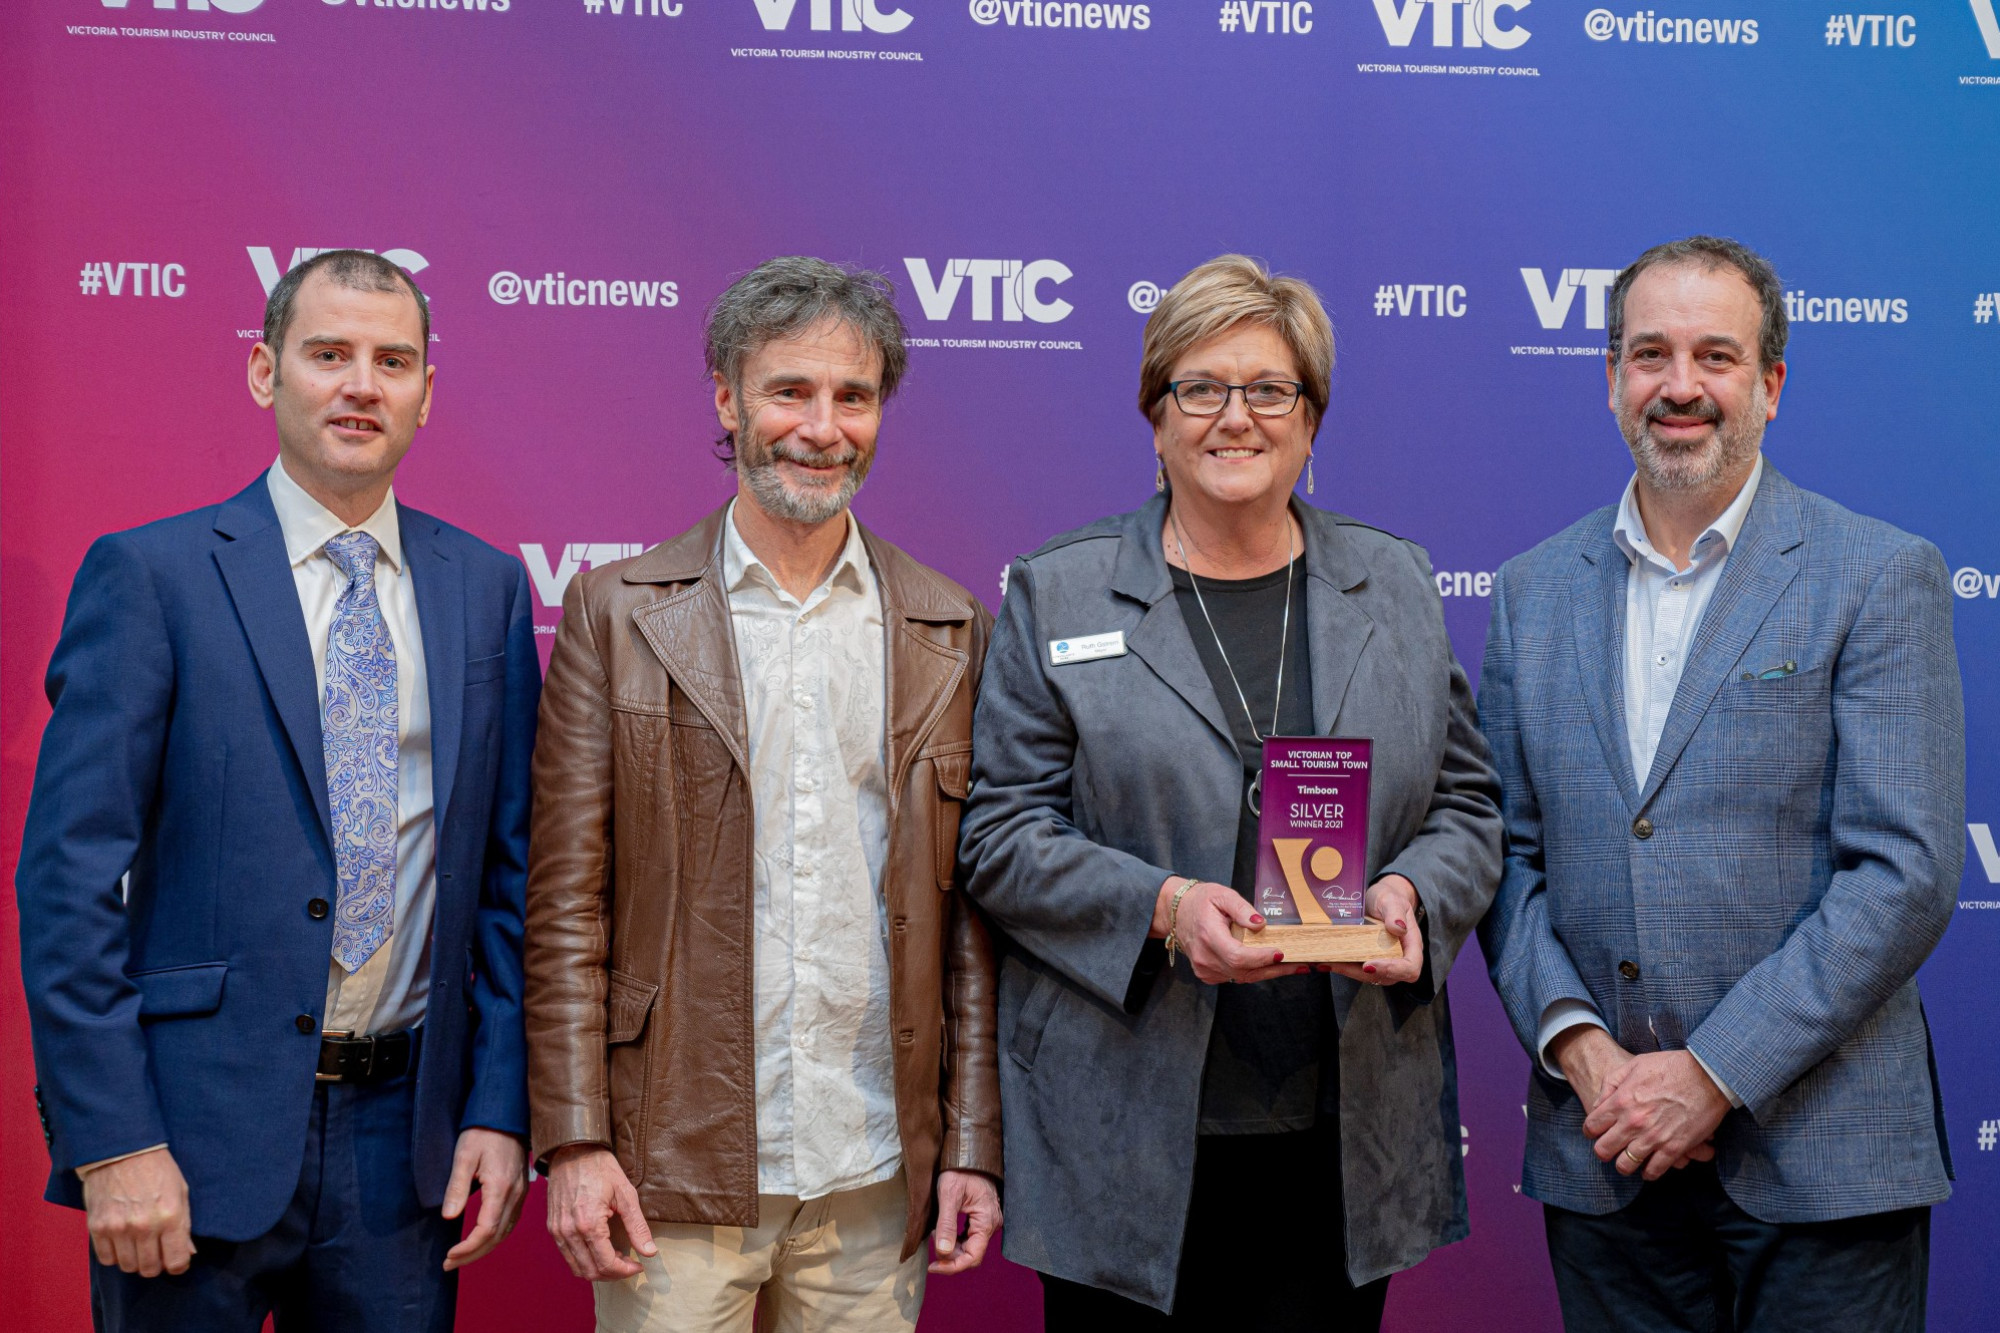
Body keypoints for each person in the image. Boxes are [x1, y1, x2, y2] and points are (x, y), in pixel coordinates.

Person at [956, 254, 1503, 1329]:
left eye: (1268, 389)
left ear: (1309, 419)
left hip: (1339, 1131)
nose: (1233, 417)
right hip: (1122, 1124)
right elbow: (999, 833)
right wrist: (1161, 908)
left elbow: (1465, 803)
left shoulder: (1390, 582)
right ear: (1154, 417)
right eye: (1198, 388)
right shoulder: (1057, 587)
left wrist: (1410, 898)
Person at [16, 249, 538, 1330]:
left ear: (427, 392)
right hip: (187, 1138)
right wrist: (112, 1140)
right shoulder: (153, 576)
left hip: (407, 1152)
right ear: (265, 373)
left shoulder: (483, 587)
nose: (361, 385)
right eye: (328, 354)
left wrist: (497, 1105)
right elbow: (68, 887)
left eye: (393, 360)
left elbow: (506, 875)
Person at [1477, 235, 1963, 1332]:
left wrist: (1709, 1071)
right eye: (1648, 354)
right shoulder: (1528, 593)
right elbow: (1500, 853)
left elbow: (1906, 870)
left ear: (1769, 384)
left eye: (1715, 356)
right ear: (1609, 380)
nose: (1679, 386)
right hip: (1602, 1155)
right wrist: (1581, 1051)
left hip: (1822, 1158)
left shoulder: (1876, 573)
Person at [524, 256, 1003, 1333]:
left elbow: (970, 919)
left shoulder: (948, 626)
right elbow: (563, 905)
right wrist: (576, 1138)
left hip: (874, 1178)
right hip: (669, 1174)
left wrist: (970, 1141)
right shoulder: (616, 612)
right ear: (727, 397)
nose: (821, 427)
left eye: (853, 396)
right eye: (789, 390)